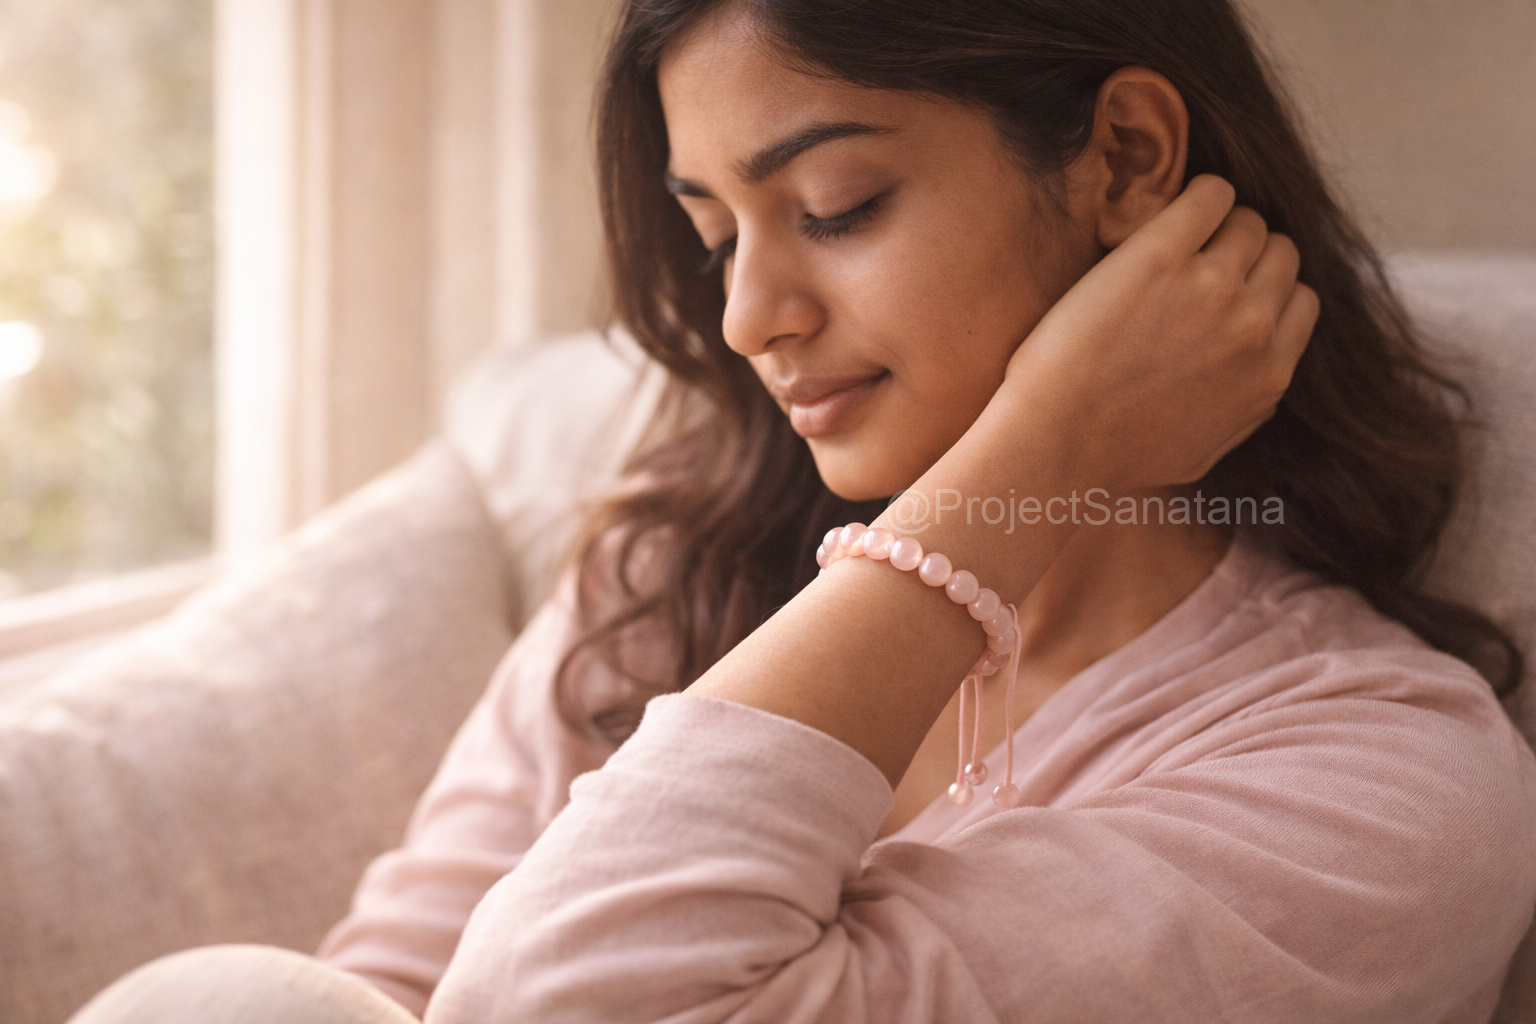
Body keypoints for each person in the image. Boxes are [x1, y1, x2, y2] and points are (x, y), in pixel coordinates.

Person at [70, 1, 1536, 1022]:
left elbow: (561, 1005)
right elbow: (384, 989)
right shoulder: (669, 579)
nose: (750, 316)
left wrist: (1030, 464)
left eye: (834, 206)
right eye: (713, 234)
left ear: (1129, 162)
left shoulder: (1388, 789)